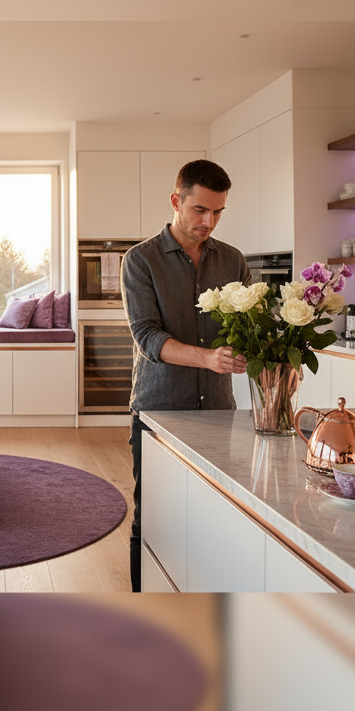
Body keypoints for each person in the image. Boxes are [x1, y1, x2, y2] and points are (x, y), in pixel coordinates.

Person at [122, 159, 251, 591]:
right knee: (155, 517)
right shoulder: (140, 260)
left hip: (219, 412)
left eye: (218, 212)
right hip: (159, 412)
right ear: (176, 201)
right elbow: (147, 337)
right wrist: (209, 359)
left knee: (216, 517)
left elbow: (247, 328)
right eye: (200, 210)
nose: (208, 221)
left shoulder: (232, 260)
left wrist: (252, 352)